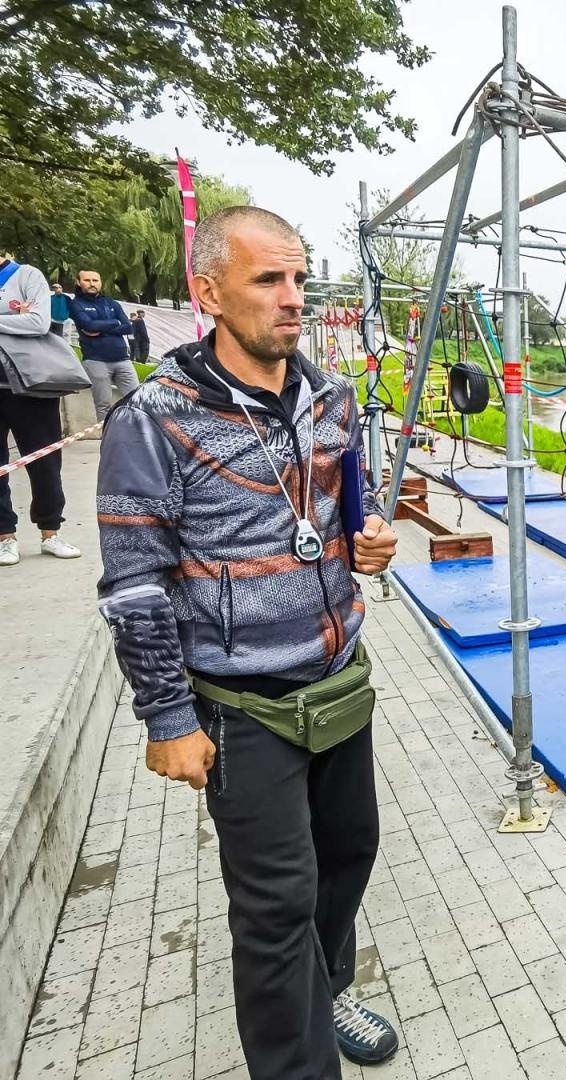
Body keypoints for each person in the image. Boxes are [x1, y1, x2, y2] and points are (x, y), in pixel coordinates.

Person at [96, 205, 400, 1077]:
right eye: (269, 279)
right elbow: (134, 581)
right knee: (275, 911)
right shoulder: (154, 416)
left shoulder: (331, 398)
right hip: (239, 709)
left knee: (349, 853)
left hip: (338, 679)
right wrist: (165, 715)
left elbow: (348, 514)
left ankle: (330, 986)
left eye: (300, 277)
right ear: (210, 292)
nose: (293, 296)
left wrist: (368, 540)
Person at [0, 252, 82, 566]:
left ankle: (51, 531)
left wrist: (22, 319)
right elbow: (22, 321)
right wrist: (12, 319)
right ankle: (5, 536)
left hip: (31, 385)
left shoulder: (26, 275)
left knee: (44, 460)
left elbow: (37, 322)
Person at [68, 268, 138, 421]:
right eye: (87, 280)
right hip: (95, 360)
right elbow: (88, 325)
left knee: (137, 401)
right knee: (103, 405)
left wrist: (100, 327)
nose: (92, 284)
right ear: (78, 282)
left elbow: (128, 326)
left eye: (95, 280)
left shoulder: (111, 303)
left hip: (122, 359)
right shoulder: (76, 304)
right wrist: (114, 322)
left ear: (100, 283)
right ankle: (107, 441)